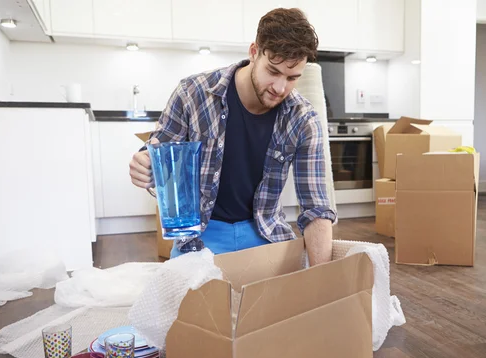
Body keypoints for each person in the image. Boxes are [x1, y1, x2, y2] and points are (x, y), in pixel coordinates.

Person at [129, 8, 336, 266]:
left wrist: (325, 280)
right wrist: (146, 165)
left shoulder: (303, 119)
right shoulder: (192, 94)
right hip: (201, 237)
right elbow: (158, 156)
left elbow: (316, 208)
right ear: (253, 52)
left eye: (292, 78)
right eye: (273, 71)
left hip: (265, 235)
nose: (280, 88)